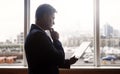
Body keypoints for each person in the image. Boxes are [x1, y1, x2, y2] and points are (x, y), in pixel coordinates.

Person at [24, 4, 78, 74]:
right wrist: (56, 40)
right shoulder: (39, 35)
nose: (54, 22)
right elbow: (59, 59)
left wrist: (69, 62)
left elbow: (49, 60)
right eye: (53, 18)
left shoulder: (34, 33)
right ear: (45, 16)